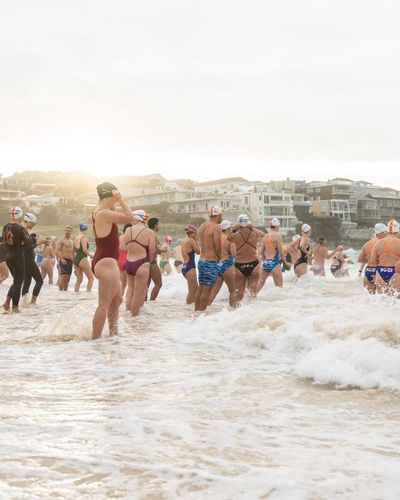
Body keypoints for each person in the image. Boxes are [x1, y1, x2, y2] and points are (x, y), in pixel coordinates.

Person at [91, 182, 134, 340]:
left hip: (107, 261)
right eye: (114, 198)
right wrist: (121, 199)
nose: (115, 202)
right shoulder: (102, 213)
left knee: (117, 299)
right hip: (105, 262)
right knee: (104, 305)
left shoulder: (104, 212)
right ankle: (94, 341)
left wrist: (114, 200)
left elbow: (117, 216)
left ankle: (113, 336)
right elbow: (131, 218)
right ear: (109, 196)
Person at [123, 210, 156, 316]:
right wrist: (150, 263)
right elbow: (152, 251)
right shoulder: (149, 232)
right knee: (138, 294)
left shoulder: (128, 230)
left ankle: (128, 316)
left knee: (130, 292)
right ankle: (134, 321)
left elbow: (126, 247)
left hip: (128, 263)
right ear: (142, 219)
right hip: (142, 263)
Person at [227, 214, 265, 302]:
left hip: (240, 265)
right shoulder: (254, 233)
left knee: (239, 294)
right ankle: (251, 313)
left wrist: (234, 229)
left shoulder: (235, 236)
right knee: (253, 294)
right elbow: (263, 234)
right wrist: (252, 228)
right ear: (248, 222)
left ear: (238, 223)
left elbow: (228, 238)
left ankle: (236, 312)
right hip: (254, 264)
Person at [195, 206, 223, 311]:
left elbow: (200, 242)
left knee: (200, 289)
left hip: (201, 261)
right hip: (211, 262)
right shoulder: (216, 227)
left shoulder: (202, 226)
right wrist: (221, 258)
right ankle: (201, 315)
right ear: (219, 215)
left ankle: (196, 313)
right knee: (207, 291)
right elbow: (218, 247)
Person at [2, 207, 30, 312]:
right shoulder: (21, 228)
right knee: (19, 283)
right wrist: (22, 242)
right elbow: (29, 242)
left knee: (16, 281)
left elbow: (4, 240)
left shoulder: (5, 227)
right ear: (20, 215)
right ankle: (15, 307)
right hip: (18, 256)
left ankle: (6, 302)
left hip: (8, 256)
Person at [208, 220, 238, 307]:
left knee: (214, 291)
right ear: (227, 229)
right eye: (230, 228)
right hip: (227, 264)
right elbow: (234, 254)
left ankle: (204, 309)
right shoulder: (230, 239)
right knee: (233, 290)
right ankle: (233, 310)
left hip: (217, 265)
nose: (232, 230)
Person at [257, 218, 291, 291]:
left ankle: (251, 299)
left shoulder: (265, 236)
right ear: (277, 226)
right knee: (279, 287)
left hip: (266, 262)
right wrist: (286, 263)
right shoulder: (278, 235)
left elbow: (261, 252)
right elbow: (281, 252)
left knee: (260, 284)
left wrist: (264, 259)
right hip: (275, 262)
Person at [370, 219, 400, 295]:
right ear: (397, 231)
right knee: (396, 301)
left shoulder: (378, 243)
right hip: (395, 273)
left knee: (381, 300)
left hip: (380, 272)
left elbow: (372, 261)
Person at [21, 213, 44, 304]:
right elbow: (27, 248)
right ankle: (33, 302)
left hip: (25, 259)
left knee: (27, 281)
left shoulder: (24, 231)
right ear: (28, 221)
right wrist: (38, 243)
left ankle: (23, 302)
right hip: (28, 260)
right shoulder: (23, 231)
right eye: (33, 223)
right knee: (39, 281)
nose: (33, 225)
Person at [358, 223, 387, 294]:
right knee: (381, 297)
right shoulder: (382, 243)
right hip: (379, 271)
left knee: (370, 298)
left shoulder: (367, 243)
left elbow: (360, 259)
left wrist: (368, 258)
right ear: (383, 232)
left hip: (368, 270)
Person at [181, 225, 200, 304]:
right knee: (192, 291)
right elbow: (198, 252)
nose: (197, 235)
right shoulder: (191, 240)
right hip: (190, 267)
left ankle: (193, 306)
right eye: (196, 233)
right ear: (192, 233)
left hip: (185, 267)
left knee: (195, 289)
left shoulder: (184, 240)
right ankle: (188, 308)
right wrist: (197, 242)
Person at [73, 223, 94, 293]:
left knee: (79, 279)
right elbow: (85, 250)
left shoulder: (76, 238)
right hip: (82, 258)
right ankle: (88, 293)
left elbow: (74, 250)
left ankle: (76, 293)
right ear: (86, 229)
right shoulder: (84, 238)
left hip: (76, 260)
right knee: (91, 278)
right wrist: (90, 255)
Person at [55, 226, 74, 291]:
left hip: (70, 261)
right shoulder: (61, 240)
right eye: (66, 230)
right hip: (64, 260)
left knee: (68, 278)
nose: (67, 232)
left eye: (69, 231)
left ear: (71, 232)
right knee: (63, 277)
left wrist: (74, 262)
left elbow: (73, 252)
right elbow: (57, 250)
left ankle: (65, 292)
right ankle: (60, 292)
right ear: (64, 231)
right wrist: (61, 259)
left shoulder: (71, 241)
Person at [147, 217, 162, 300]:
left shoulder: (147, 233)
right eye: (158, 224)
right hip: (152, 262)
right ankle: (152, 302)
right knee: (158, 284)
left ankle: (144, 304)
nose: (158, 226)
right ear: (155, 225)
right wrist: (162, 250)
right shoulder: (153, 234)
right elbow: (156, 249)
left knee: (146, 286)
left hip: (145, 261)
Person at [118, 223, 132, 296]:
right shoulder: (130, 238)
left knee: (122, 284)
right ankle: (127, 301)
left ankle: (119, 299)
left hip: (119, 260)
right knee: (130, 285)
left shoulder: (120, 238)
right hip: (127, 259)